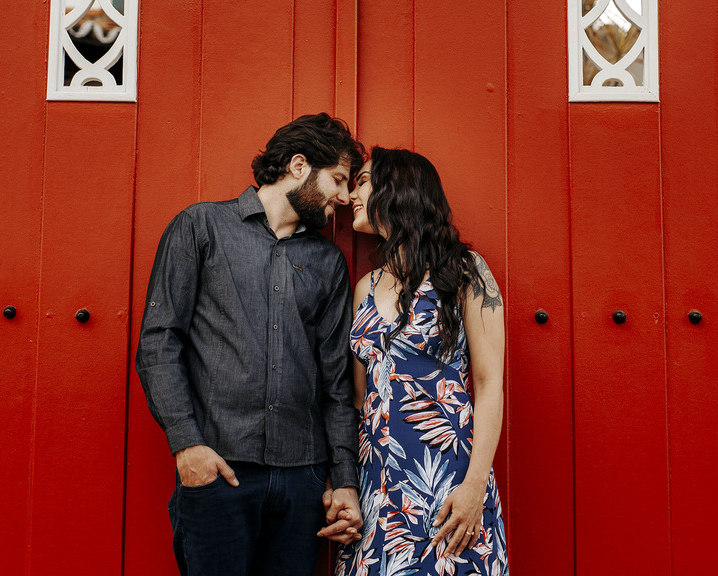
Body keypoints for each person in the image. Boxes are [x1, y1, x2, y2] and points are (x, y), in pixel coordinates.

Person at [135, 113, 366, 576]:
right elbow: (159, 342)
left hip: (303, 483)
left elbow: (337, 383)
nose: (345, 197)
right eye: (339, 180)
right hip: (218, 471)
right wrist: (187, 447)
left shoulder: (328, 262)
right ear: (299, 166)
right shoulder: (202, 228)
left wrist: (344, 481)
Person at [323, 147, 509, 575]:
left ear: (398, 189)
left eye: (363, 182)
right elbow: (357, 399)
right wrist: (343, 486)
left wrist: (475, 484)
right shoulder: (364, 288)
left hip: (447, 483)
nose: (352, 194)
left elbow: (488, 382)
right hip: (377, 488)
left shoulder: (464, 271)